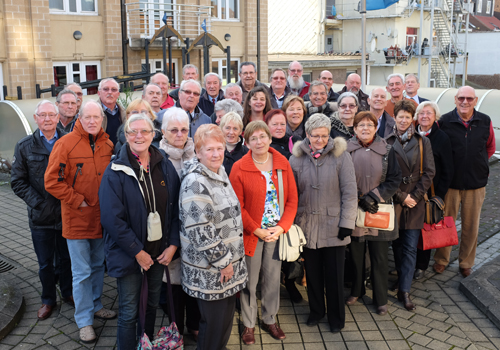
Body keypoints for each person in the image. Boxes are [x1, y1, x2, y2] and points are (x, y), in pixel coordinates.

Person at [98, 113, 180, 350]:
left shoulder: (163, 164)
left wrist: (172, 244)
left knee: (152, 305)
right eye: (133, 132)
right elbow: (112, 220)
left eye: (144, 131)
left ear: (153, 135)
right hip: (129, 253)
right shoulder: (115, 170)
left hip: (158, 253)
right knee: (129, 311)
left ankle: (145, 345)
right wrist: (137, 252)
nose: (139, 136)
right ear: (125, 136)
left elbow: (175, 209)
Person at [44, 100, 116, 343]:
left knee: (97, 267)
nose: (93, 121)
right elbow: (52, 181)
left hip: (101, 220)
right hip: (76, 220)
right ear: (80, 118)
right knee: (82, 272)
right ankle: (84, 321)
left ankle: (96, 305)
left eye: (97, 117)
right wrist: (77, 200)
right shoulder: (65, 143)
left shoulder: (107, 144)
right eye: (88, 117)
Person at [179, 124, 248, 350]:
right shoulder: (195, 182)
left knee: (224, 321)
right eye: (209, 149)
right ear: (197, 152)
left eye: (219, 148)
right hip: (212, 270)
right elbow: (201, 231)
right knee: (213, 325)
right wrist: (224, 263)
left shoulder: (219, 171)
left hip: (226, 268)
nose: (216, 154)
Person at [230, 121, 298, 345]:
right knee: (249, 281)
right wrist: (256, 230)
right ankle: (249, 324)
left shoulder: (282, 163)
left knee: (272, 278)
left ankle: (269, 318)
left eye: (262, 137)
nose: (258, 142)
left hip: (276, 233)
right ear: (246, 142)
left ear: (270, 138)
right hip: (252, 233)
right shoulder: (239, 167)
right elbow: (236, 206)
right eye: (253, 138)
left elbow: (291, 200)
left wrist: (281, 227)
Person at [289, 114, 357, 333]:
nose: (320, 140)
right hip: (307, 225)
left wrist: (347, 222)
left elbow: (350, 192)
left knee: (335, 277)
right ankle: (317, 311)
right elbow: (292, 195)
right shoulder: (296, 158)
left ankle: (337, 318)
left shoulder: (341, 156)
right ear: (307, 135)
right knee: (314, 274)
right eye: (315, 136)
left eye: (324, 135)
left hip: (334, 226)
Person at [11, 100, 73, 320]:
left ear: (58, 117)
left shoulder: (70, 141)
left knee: (67, 259)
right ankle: (48, 300)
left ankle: (68, 293)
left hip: (67, 213)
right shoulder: (24, 146)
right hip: (40, 217)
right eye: (42, 115)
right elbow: (17, 182)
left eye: (51, 115)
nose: (47, 119)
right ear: (35, 119)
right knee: (45, 262)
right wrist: (38, 203)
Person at [433, 86, 496, 277]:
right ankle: (441, 259)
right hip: (450, 184)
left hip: (475, 185)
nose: (465, 102)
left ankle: (466, 262)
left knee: (471, 226)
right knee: (446, 223)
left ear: (475, 100)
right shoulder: (444, 121)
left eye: (469, 98)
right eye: (461, 98)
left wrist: (479, 166)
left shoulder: (485, 121)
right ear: (455, 99)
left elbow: (490, 148)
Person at [345, 111, 402, 316]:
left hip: (379, 210)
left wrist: (374, 196)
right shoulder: (346, 150)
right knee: (356, 256)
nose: (365, 128)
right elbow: (341, 179)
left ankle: (380, 299)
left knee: (379, 258)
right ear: (354, 128)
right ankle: (357, 290)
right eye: (361, 125)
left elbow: (394, 179)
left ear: (376, 128)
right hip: (355, 210)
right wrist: (361, 198)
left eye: (370, 125)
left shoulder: (387, 149)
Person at [386, 100, 435, 311]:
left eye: (408, 116)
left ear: (412, 118)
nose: (404, 120)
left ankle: (405, 290)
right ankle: (400, 278)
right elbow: (383, 174)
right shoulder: (385, 141)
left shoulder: (423, 142)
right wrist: (400, 196)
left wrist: (414, 195)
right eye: (400, 117)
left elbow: (429, 172)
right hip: (395, 200)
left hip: (415, 202)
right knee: (396, 245)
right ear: (394, 118)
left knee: (410, 247)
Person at [156, 107, 200, 339]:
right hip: (170, 233)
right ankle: (176, 329)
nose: (180, 134)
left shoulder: (196, 155)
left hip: (194, 235)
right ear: (163, 131)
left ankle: (194, 324)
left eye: (184, 129)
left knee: (193, 281)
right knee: (173, 286)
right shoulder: (157, 158)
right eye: (174, 130)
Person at [413, 101, 454, 280]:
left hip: (430, 193)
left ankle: (421, 266)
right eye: (421, 113)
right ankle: (408, 264)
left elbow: (448, 170)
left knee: (425, 229)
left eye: (429, 113)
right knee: (409, 230)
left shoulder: (442, 138)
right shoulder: (411, 134)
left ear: (435, 116)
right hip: (411, 191)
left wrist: (439, 195)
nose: (425, 116)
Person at [97, 78, 126, 145]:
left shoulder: (124, 113)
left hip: (120, 153)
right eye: (106, 89)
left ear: (118, 94)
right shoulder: (91, 112)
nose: (110, 92)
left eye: (113, 90)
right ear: (99, 93)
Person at [220, 111, 248, 175]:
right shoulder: (214, 150)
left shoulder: (246, 152)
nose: (231, 132)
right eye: (227, 128)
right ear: (221, 129)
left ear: (240, 131)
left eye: (235, 128)